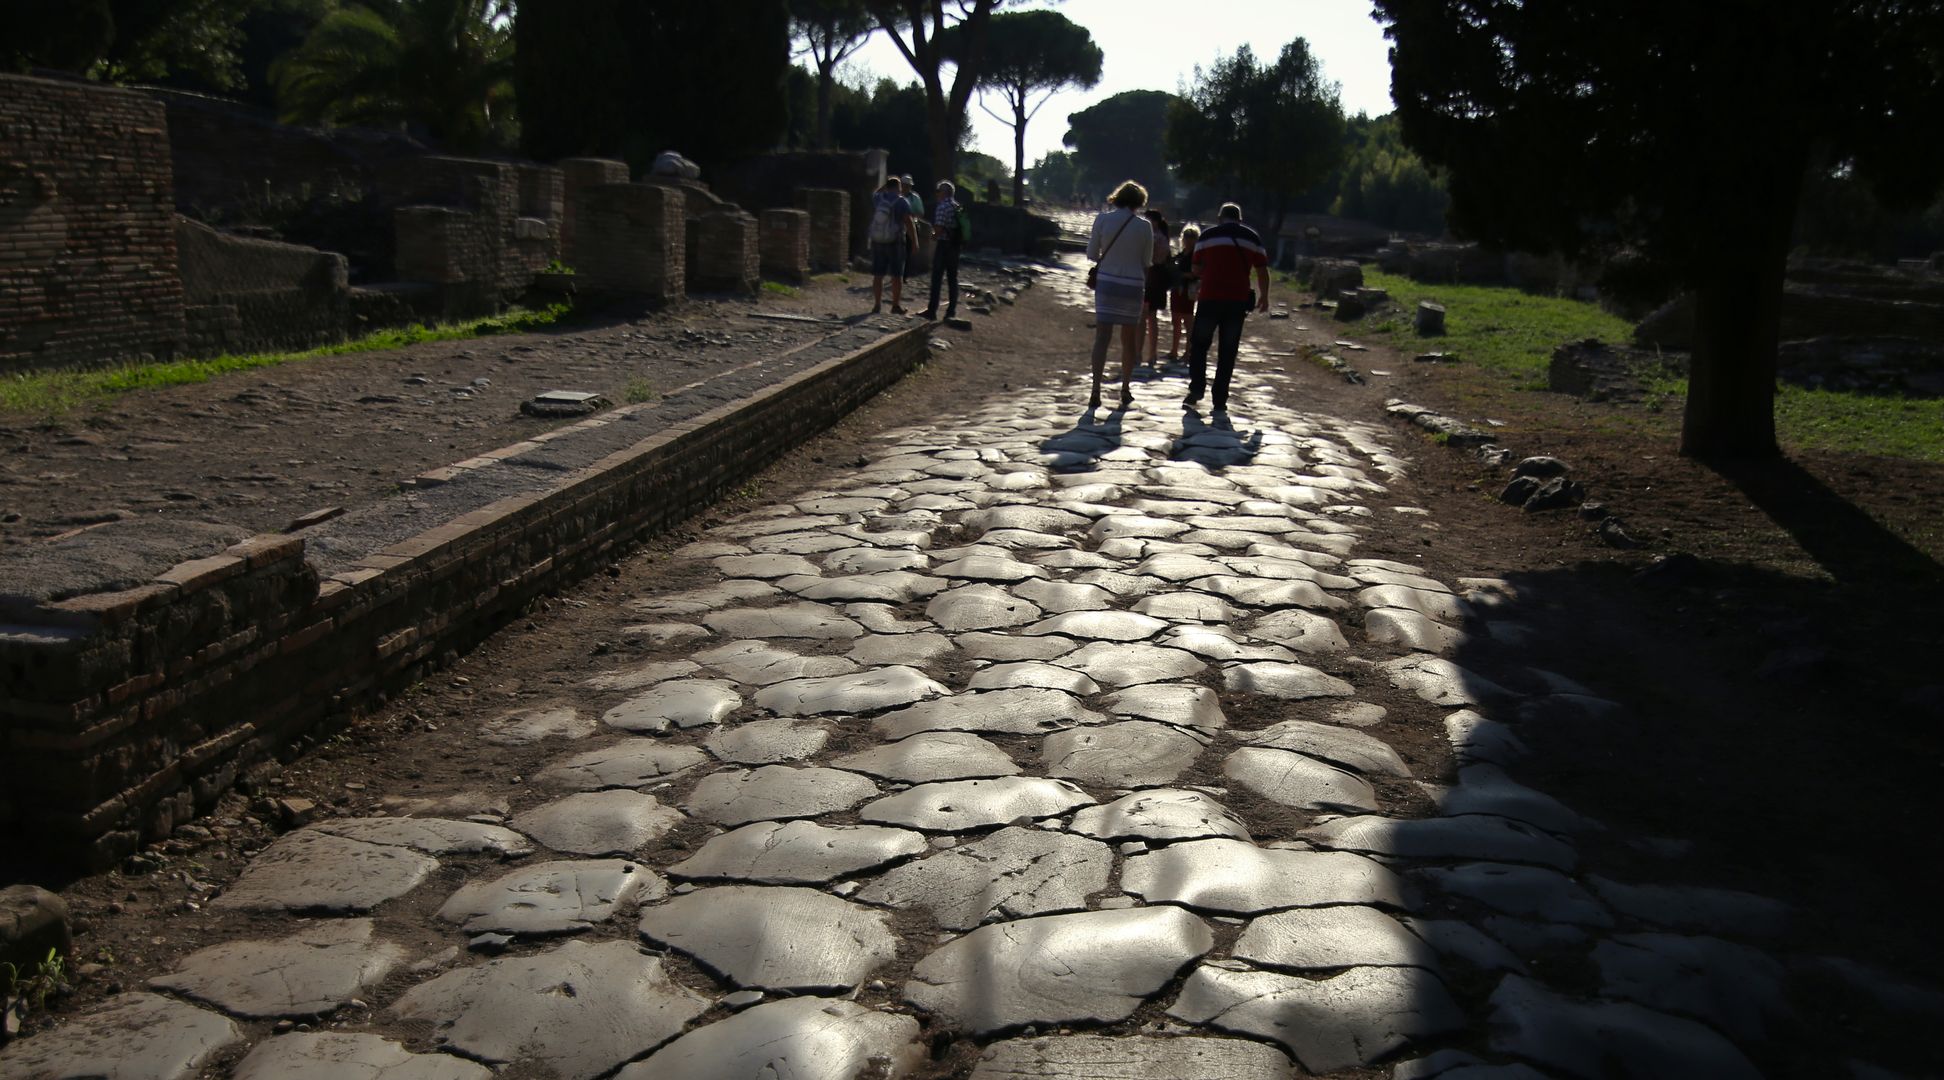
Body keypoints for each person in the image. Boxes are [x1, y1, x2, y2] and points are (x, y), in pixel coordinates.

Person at [1183, 202, 1270, 414]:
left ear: (1220, 218)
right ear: (1240, 219)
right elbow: (1261, 270)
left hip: (1210, 297)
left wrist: (1209, 273)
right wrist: (1264, 296)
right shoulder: (1252, 238)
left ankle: (1196, 389)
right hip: (1236, 300)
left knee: (1199, 345)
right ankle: (1220, 398)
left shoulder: (1207, 236)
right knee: (1228, 350)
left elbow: (1195, 268)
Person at [1085, 180, 1154, 410]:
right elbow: (1146, 262)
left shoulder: (1103, 220)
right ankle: (1125, 388)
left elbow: (1092, 254)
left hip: (1107, 282)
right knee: (1128, 340)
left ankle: (1096, 389)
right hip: (1133, 285)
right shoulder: (1144, 227)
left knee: (1102, 338)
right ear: (1139, 202)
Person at [868, 176, 916, 315]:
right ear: (898, 188)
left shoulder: (879, 199)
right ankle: (895, 306)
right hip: (896, 241)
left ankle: (877, 305)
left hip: (877, 241)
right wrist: (914, 241)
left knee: (878, 274)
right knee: (896, 275)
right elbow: (908, 222)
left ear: (887, 187)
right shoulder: (902, 202)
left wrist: (885, 185)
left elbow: (875, 192)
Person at [921, 180, 968, 320]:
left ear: (944, 193)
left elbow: (939, 227)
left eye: (938, 191)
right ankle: (951, 311)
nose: (937, 194)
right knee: (952, 279)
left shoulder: (942, 206)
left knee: (936, 278)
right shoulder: (958, 206)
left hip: (944, 245)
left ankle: (932, 311)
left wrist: (933, 236)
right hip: (955, 246)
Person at [1141, 209, 1172, 367]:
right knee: (1151, 318)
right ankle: (1152, 353)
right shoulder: (1164, 237)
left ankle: (1145, 353)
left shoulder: (1154, 238)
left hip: (1151, 276)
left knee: (1146, 316)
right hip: (1158, 277)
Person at [1169, 223, 1200, 360]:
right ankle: (1174, 350)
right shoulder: (1180, 254)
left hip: (1188, 290)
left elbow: (1195, 274)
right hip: (1177, 289)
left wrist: (1181, 274)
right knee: (1175, 321)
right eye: (1187, 236)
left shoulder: (1196, 256)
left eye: (1192, 237)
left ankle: (1188, 351)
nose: (1189, 239)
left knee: (1188, 322)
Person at [899, 175, 926, 289]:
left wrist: (909, 216)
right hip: (897, 227)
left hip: (910, 226)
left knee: (908, 252)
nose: (907, 188)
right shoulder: (897, 196)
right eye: (905, 185)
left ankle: (904, 275)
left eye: (908, 186)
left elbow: (920, 213)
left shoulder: (915, 198)